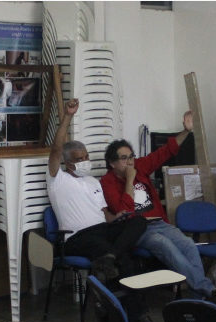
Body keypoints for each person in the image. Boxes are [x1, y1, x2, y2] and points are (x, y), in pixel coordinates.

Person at [99, 111, 216, 304]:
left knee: (189, 245)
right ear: (112, 163)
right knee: (165, 246)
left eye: (131, 156)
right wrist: (130, 180)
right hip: (138, 228)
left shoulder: (140, 165)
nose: (130, 162)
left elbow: (165, 152)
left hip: (159, 223)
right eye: (124, 158)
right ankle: (208, 291)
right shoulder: (107, 182)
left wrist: (186, 131)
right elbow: (122, 210)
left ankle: (197, 301)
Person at [47, 98, 146, 284]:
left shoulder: (93, 181)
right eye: (79, 159)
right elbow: (55, 150)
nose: (85, 161)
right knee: (117, 256)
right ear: (67, 163)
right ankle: (111, 262)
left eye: (86, 156)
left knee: (138, 223)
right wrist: (68, 116)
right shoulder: (58, 180)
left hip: (103, 230)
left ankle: (130, 309)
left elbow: (105, 215)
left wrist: (118, 218)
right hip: (77, 237)